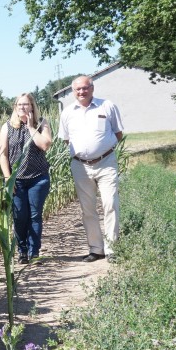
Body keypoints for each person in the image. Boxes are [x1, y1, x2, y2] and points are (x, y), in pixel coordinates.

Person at [59, 75, 125, 262]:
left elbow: (118, 134)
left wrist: (101, 150)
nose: (82, 92)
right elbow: (66, 139)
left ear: (92, 88)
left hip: (106, 163)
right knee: (87, 209)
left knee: (110, 204)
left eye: (85, 88)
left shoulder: (107, 106)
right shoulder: (67, 113)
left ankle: (112, 249)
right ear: (73, 91)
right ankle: (96, 249)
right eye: (78, 89)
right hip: (80, 166)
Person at [0, 93, 53, 264]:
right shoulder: (7, 127)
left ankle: (34, 252)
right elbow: (3, 154)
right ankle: (22, 251)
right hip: (17, 180)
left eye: (26, 104)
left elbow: (45, 145)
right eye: (19, 104)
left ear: (32, 106)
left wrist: (30, 127)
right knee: (19, 216)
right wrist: (8, 178)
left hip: (38, 178)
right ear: (15, 107)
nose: (23, 107)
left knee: (35, 216)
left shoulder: (41, 123)